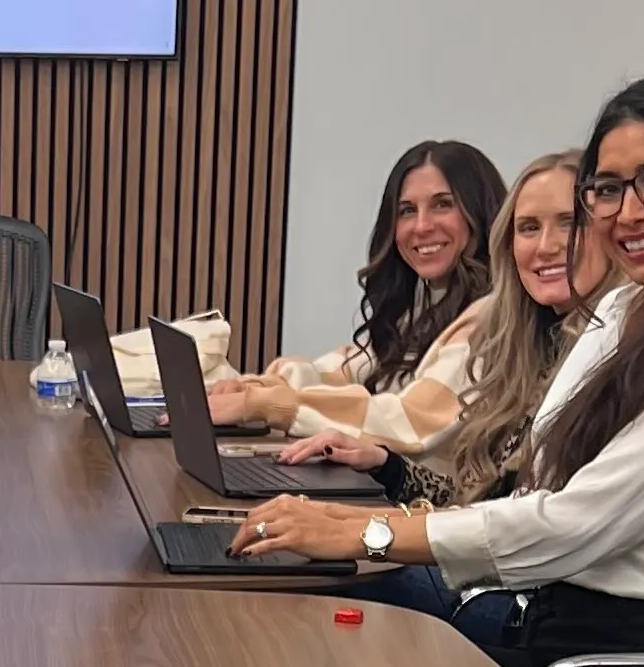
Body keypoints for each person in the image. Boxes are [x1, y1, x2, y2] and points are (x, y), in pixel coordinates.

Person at [231, 74, 644, 667]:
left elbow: (578, 521)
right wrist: (373, 498)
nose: (629, 211)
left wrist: (368, 532)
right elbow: (537, 482)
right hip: (558, 628)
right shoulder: (622, 308)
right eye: (608, 188)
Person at [272, 150, 621, 635]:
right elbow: (481, 498)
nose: (546, 246)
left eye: (568, 224)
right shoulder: (532, 337)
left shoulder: (614, 353)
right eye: (528, 228)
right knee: (296, 551)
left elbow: (534, 525)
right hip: (495, 575)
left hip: (533, 601)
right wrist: (386, 466)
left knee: (303, 571)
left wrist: (367, 533)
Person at [197, 140, 506, 456]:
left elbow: (410, 422)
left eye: (442, 204)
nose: (422, 225)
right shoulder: (426, 308)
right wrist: (254, 389)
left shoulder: (492, 317)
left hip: (432, 505)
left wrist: (269, 405)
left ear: (480, 214)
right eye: (407, 210)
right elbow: (343, 372)